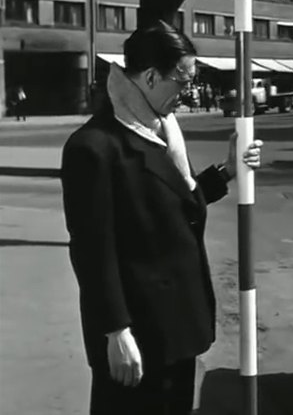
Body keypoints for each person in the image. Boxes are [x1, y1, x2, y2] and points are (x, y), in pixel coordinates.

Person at [60, 21, 263, 415]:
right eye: (182, 82)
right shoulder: (95, 147)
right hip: (137, 336)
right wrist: (115, 331)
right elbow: (92, 251)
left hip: (175, 329)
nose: (186, 95)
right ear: (151, 77)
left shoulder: (163, 133)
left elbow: (174, 206)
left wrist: (226, 171)